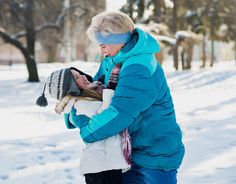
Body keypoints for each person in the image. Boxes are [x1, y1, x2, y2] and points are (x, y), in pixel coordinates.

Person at [66, 11, 185, 184]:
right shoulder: (112, 61)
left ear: (118, 39)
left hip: (154, 155)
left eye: (104, 44)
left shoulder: (138, 66)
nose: (101, 49)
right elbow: (93, 92)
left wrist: (87, 132)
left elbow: (120, 113)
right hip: (130, 154)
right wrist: (71, 105)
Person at [37, 65, 131, 184]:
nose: (82, 76)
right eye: (76, 78)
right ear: (70, 86)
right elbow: (107, 115)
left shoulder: (89, 95)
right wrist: (111, 87)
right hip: (101, 166)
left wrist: (101, 84)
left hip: (105, 162)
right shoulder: (81, 103)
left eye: (79, 73)